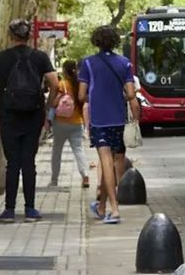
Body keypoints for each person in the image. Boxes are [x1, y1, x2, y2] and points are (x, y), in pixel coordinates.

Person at [0, 19, 59, 223]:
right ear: (29, 36)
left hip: (9, 116)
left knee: (12, 163)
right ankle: (30, 209)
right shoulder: (40, 57)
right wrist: (47, 106)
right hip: (33, 115)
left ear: (10, 36)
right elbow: (55, 83)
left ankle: (9, 210)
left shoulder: (0, 58)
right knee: (28, 162)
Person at [78, 25, 140, 225]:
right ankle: (102, 206)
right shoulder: (125, 63)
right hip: (118, 118)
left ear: (96, 41)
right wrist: (117, 97)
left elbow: (81, 95)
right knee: (110, 161)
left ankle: (114, 209)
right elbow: (131, 93)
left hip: (99, 119)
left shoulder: (88, 63)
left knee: (105, 161)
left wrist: (96, 97)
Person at [50, 59, 91, 188]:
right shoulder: (80, 84)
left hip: (60, 123)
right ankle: (85, 176)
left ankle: (54, 179)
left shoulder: (62, 84)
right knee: (78, 150)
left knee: (57, 151)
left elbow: (54, 103)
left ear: (64, 71)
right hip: (77, 123)